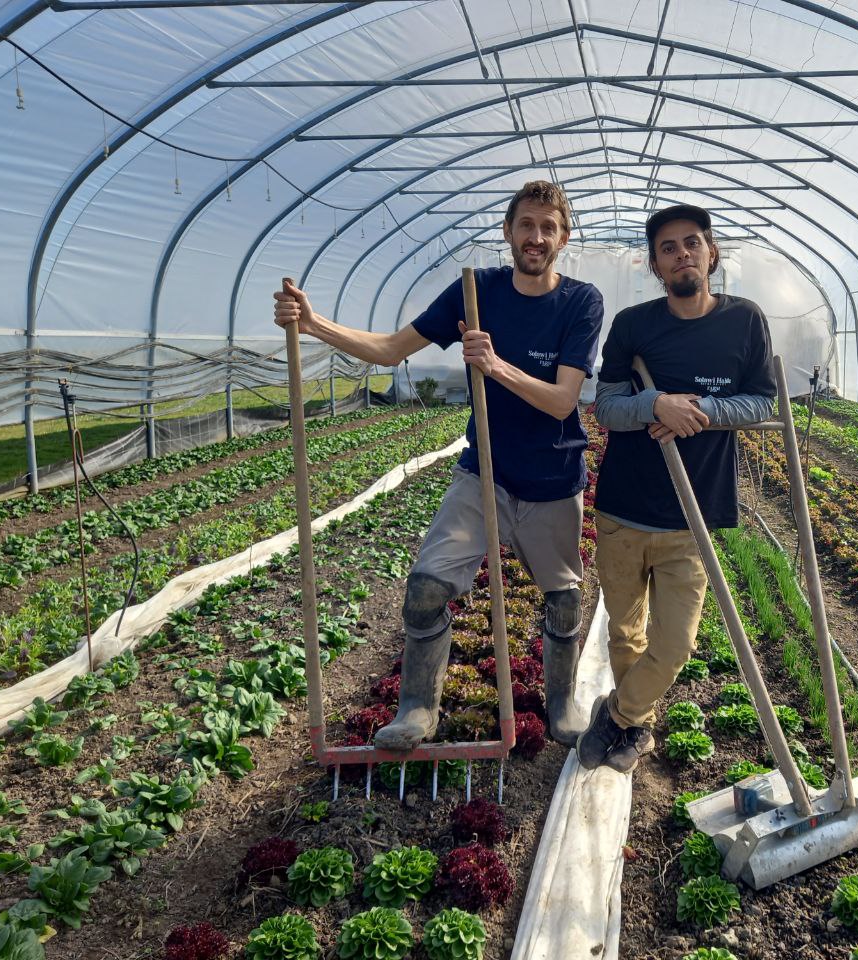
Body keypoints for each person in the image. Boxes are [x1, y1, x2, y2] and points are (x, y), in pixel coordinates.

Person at [273, 180, 604, 750]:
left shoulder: (581, 302)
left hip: (553, 478)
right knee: (425, 589)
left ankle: (561, 703)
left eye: (548, 228)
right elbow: (390, 350)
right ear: (507, 230)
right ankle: (418, 707)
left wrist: (495, 366)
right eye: (526, 224)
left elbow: (562, 401)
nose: (536, 237)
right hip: (484, 473)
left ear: (564, 238)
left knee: (564, 599)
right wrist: (313, 324)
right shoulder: (476, 292)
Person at [579, 204, 776, 773]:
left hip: (694, 515)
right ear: (655, 264)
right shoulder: (633, 325)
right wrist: (655, 405)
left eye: (692, 242)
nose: (682, 253)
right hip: (623, 508)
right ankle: (637, 729)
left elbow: (761, 401)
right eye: (668, 247)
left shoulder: (745, 321)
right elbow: (606, 407)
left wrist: (702, 411)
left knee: (676, 644)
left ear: (711, 252)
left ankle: (616, 716)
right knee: (624, 635)